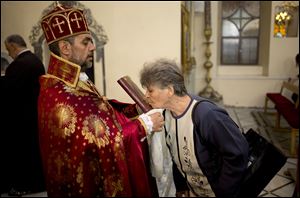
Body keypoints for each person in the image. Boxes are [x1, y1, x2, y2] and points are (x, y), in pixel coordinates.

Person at [38, 4, 163, 197]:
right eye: (86, 41)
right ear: (65, 48)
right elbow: (101, 145)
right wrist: (144, 125)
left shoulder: (72, 82)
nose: (93, 47)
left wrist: (134, 110)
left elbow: (102, 115)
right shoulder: (61, 94)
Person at [140, 58, 249, 197]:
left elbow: (238, 153)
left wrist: (223, 192)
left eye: (150, 90)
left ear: (169, 90)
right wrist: (181, 187)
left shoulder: (207, 115)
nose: (145, 96)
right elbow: (176, 156)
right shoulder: (167, 114)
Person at [1, 34, 46, 195]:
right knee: (34, 152)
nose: (9, 53)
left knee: (22, 154)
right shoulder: (36, 60)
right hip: (35, 116)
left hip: (20, 119)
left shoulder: (18, 65)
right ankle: (38, 184)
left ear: (13, 46)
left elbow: (9, 94)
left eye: (8, 49)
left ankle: (23, 185)